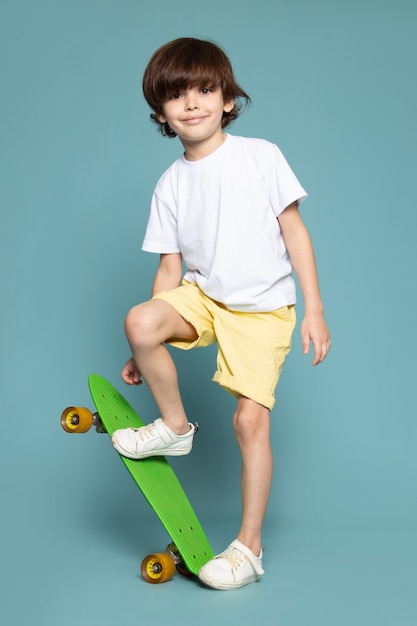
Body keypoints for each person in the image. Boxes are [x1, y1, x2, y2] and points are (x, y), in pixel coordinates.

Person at [111, 37, 331, 590]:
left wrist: (314, 309)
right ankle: (175, 428)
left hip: (262, 311)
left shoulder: (261, 156)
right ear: (161, 112)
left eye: (205, 90)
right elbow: (168, 270)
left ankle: (248, 548)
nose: (192, 103)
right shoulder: (170, 184)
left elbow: (295, 232)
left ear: (228, 99)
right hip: (205, 297)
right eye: (177, 95)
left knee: (249, 421)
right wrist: (143, 341)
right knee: (139, 319)